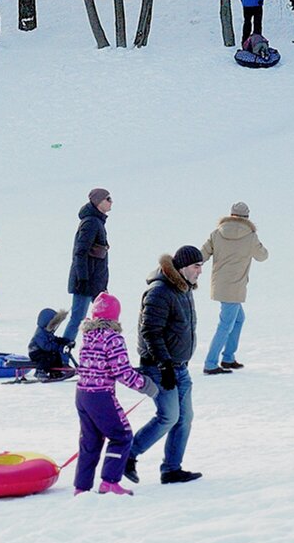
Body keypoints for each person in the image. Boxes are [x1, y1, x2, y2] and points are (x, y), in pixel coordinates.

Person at [124, 246, 204, 486]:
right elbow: (150, 330)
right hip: (159, 367)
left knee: (184, 418)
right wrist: (164, 364)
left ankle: (171, 469)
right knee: (168, 416)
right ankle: (127, 454)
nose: (200, 271)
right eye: (196, 266)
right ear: (181, 268)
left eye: (201, 266)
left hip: (180, 366)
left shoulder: (184, 289)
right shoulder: (160, 291)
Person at [74, 292, 157, 496]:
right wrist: (145, 385)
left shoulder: (87, 335)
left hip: (82, 394)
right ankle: (109, 481)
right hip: (100, 395)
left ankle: (81, 486)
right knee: (121, 435)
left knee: (90, 440)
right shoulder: (113, 338)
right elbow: (122, 371)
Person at [201, 202, 269, 375]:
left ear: (230, 215)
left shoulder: (217, 233)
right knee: (225, 325)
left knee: (238, 319)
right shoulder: (251, 236)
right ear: (247, 217)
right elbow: (263, 256)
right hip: (236, 287)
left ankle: (228, 358)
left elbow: (202, 254)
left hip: (220, 286)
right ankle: (210, 363)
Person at [62, 188, 112, 346]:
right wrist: (83, 278)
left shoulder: (96, 221)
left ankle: (101, 352)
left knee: (103, 318)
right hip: (86, 281)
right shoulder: (91, 222)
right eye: (108, 199)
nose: (111, 202)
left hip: (94, 281)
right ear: (98, 202)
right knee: (78, 318)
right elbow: (80, 252)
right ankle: (62, 353)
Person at [28, 308, 70, 379]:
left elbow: (54, 339)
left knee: (56, 355)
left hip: (43, 350)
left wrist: (64, 341)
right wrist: (59, 347)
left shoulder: (47, 332)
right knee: (46, 357)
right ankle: (40, 371)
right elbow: (46, 346)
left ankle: (56, 372)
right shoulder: (40, 334)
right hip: (35, 352)